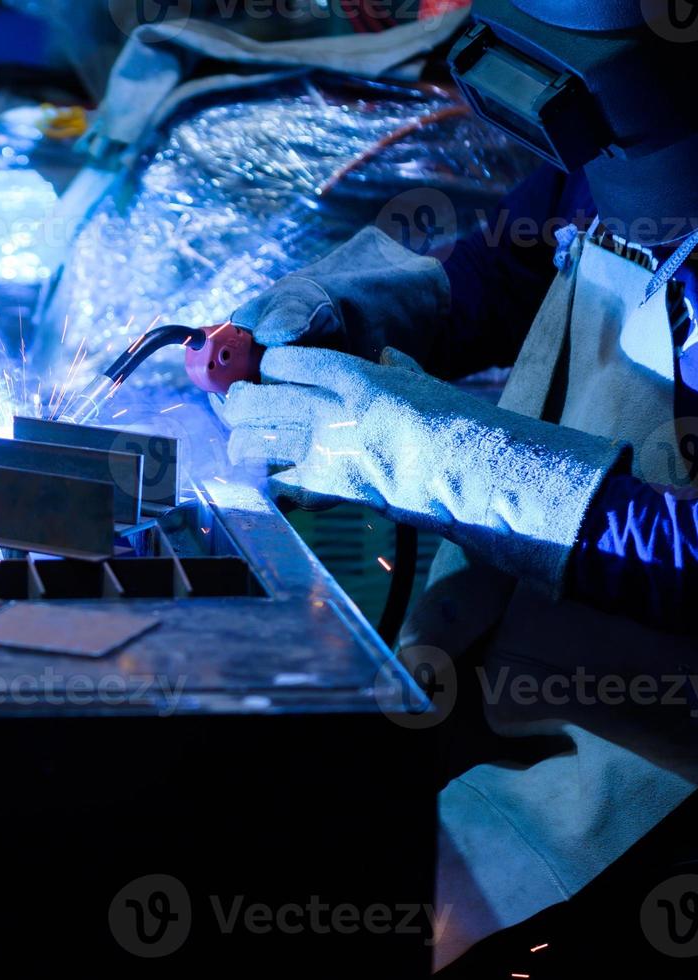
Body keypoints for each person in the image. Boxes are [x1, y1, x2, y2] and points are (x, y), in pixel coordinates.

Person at [213, 0, 698, 967]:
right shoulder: (629, 146)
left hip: (638, 781)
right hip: (479, 685)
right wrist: (336, 309)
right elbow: (499, 278)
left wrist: (421, 446)